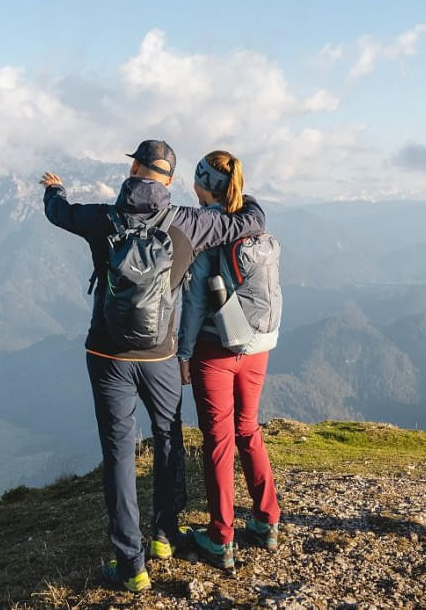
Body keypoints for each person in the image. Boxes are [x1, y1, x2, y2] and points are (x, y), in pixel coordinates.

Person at [40, 139, 266, 594]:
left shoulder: (102, 218)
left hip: (108, 356)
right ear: (168, 178)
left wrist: (54, 189)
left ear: (136, 169)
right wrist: (240, 190)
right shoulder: (189, 222)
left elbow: (58, 213)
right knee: (168, 437)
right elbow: (252, 220)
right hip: (161, 356)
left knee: (120, 454)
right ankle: (165, 534)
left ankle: (131, 563)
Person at [177, 150, 281, 573]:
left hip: (215, 351)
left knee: (218, 441)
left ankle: (221, 538)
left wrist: (184, 354)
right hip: (258, 346)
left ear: (203, 185)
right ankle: (266, 521)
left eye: (196, 181)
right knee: (248, 430)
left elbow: (196, 301)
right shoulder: (252, 218)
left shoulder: (209, 235)